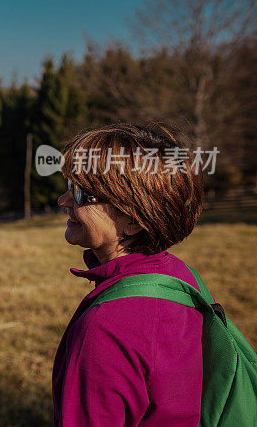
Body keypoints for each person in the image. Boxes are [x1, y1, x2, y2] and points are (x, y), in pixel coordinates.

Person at [52, 123, 205, 426]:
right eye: (71, 186)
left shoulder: (104, 329)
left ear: (133, 220)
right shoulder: (179, 276)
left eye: (82, 194)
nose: (64, 201)